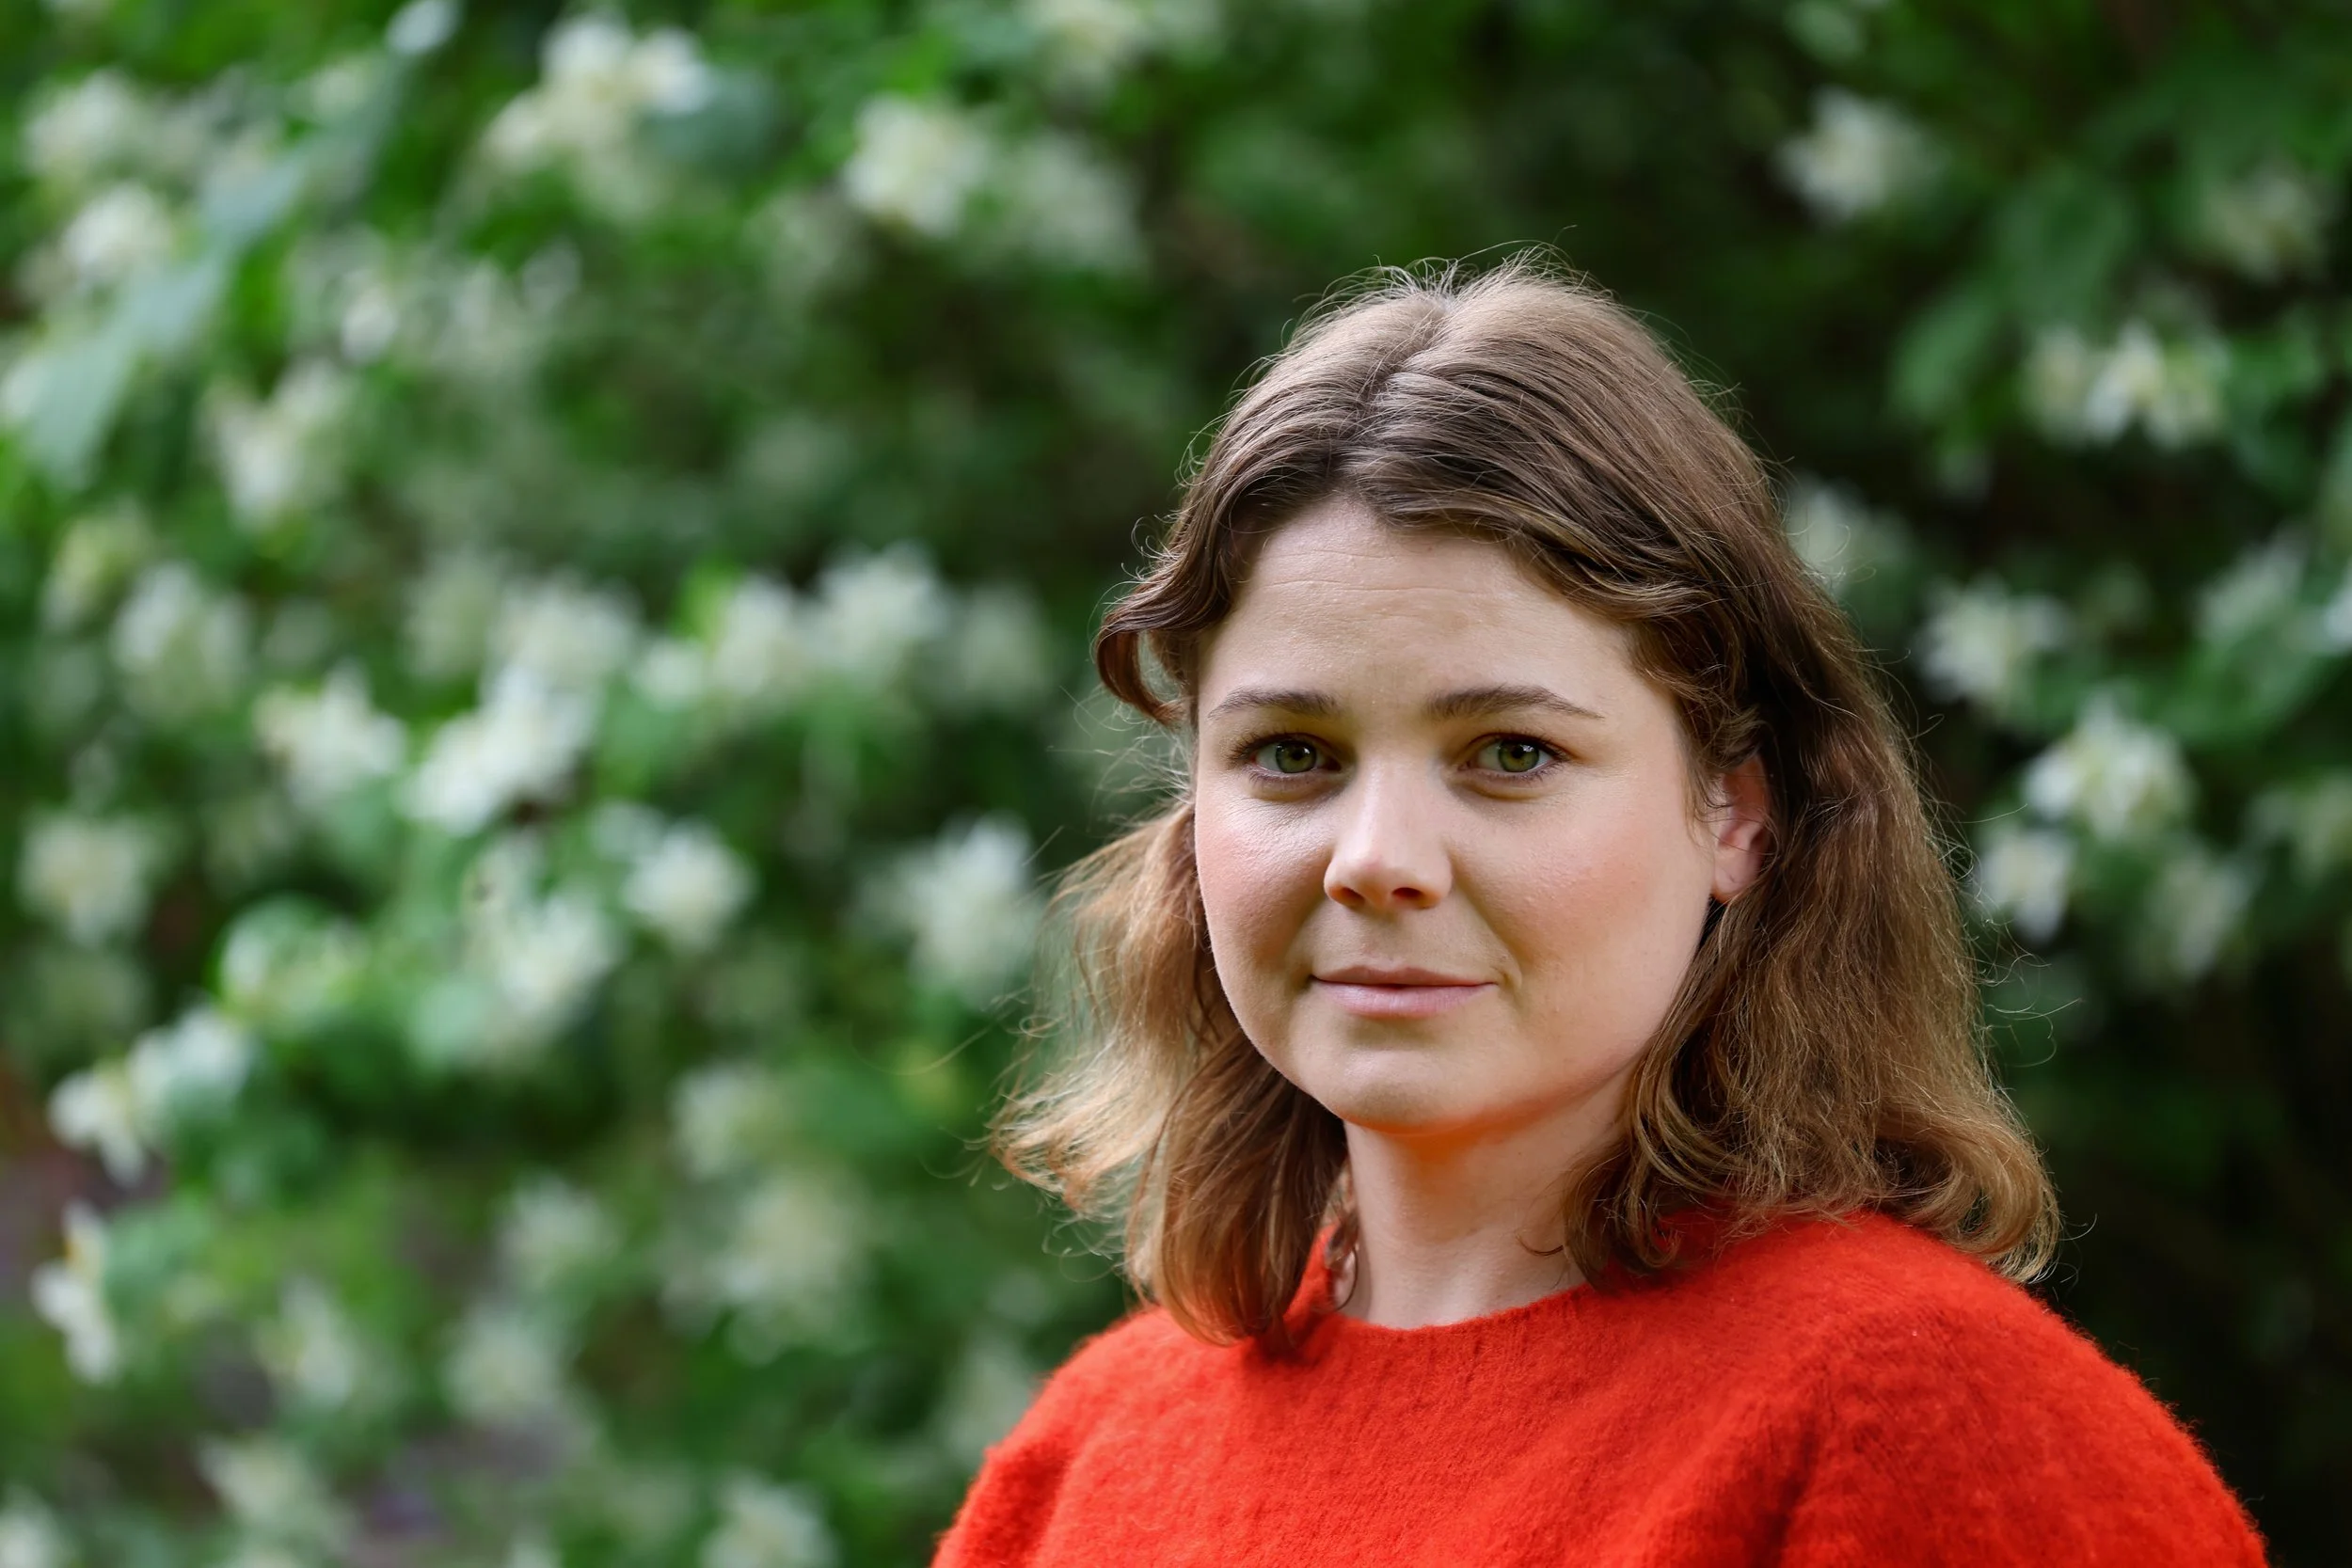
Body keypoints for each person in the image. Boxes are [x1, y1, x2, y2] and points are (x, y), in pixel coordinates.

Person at [934, 262, 2265, 1566]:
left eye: (1511, 752)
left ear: (1736, 813)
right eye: (1292, 752)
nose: (1376, 860)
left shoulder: (1932, 1432)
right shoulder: (1090, 1458)